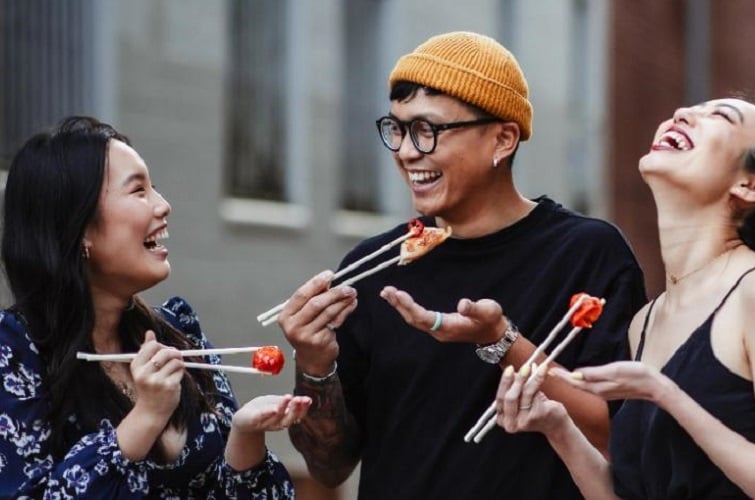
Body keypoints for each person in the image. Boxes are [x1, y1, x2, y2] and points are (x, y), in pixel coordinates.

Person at [277, 31, 647, 499]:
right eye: (398, 129)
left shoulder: (587, 253)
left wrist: (503, 341)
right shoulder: (373, 266)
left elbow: (622, 438)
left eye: (428, 130)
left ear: (503, 138)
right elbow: (328, 467)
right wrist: (313, 364)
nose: (408, 151)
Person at [0, 116, 311, 498]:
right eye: (138, 192)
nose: (163, 206)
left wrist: (246, 435)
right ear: (78, 227)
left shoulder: (178, 333)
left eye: (155, 188)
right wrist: (146, 416)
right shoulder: (15, 353)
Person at [496, 97, 755, 499]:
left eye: (720, 116)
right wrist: (558, 427)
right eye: (689, 108)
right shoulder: (646, 321)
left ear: (748, 184)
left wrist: (665, 393)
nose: (681, 113)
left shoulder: (750, 293)